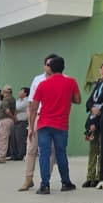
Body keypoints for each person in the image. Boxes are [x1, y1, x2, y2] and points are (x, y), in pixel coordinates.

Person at [34, 56, 81, 194]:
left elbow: (34, 106)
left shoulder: (43, 84)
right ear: (63, 67)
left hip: (43, 123)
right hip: (61, 124)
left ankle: (44, 185)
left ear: (50, 68)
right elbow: (77, 100)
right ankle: (66, 182)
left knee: (44, 154)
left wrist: (31, 125)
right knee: (61, 153)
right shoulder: (71, 82)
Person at [19, 55, 57, 192]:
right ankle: (28, 179)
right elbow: (30, 104)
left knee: (48, 151)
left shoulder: (61, 80)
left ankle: (45, 180)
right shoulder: (38, 79)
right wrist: (30, 123)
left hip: (52, 119)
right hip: (37, 117)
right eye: (47, 64)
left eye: (51, 64)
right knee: (30, 149)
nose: (48, 67)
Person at [82, 61, 103, 186]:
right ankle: (90, 176)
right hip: (93, 118)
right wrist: (92, 108)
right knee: (92, 149)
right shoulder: (99, 83)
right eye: (102, 69)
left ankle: (101, 175)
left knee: (102, 150)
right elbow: (89, 101)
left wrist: (98, 114)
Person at [0, 84, 16, 162]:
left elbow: (7, 110)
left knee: (2, 138)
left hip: (4, 120)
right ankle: (1, 155)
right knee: (4, 138)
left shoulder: (6, 99)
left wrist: (12, 117)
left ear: (5, 91)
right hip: (7, 120)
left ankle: (1, 157)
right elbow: (14, 110)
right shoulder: (13, 99)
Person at [12, 86, 30, 161]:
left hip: (22, 122)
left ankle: (21, 154)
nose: (19, 92)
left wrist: (14, 110)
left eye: (21, 91)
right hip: (15, 121)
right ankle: (14, 154)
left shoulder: (27, 100)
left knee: (20, 138)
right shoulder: (18, 100)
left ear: (25, 93)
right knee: (13, 138)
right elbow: (14, 108)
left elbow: (17, 108)